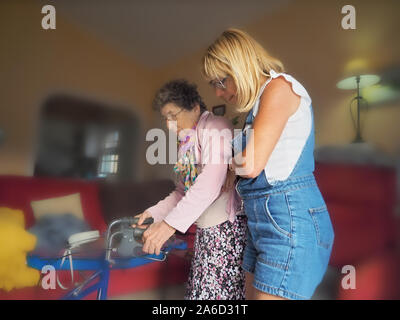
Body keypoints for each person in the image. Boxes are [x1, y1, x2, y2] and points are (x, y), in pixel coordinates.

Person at [202, 28, 335, 300]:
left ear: (239, 65)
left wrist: (228, 162)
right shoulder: (256, 109)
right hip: (261, 221)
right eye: (213, 85)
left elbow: (250, 165)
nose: (218, 93)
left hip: (290, 219)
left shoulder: (280, 88)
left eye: (221, 81)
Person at [134, 79, 247, 300]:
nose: (168, 125)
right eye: (165, 118)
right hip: (207, 229)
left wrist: (167, 227)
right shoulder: (187, 143)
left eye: (173, 116)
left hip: (225, 231)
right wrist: (154, 212)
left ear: (194, 107)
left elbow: (210, 181)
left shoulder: (216, 126)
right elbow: (183, 190)